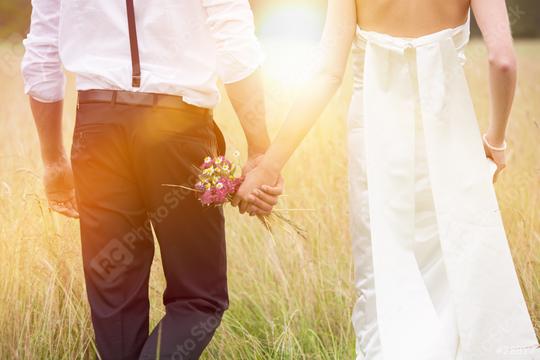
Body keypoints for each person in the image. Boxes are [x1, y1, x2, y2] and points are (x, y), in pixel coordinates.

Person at [235, 0, 540, 358]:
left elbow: (327, 73)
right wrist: (495, 141)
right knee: (459, 271)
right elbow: (502, 60)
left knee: (385, 274)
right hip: (451, 142)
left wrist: (271, 165)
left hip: (375, 148)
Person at [21, 0, 282, 358]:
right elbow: (233, 35)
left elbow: (42, 51)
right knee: (198, 298)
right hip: (178, 127)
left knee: (115, 302)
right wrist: (259, 150)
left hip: (98, 130)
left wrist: (53, 160)